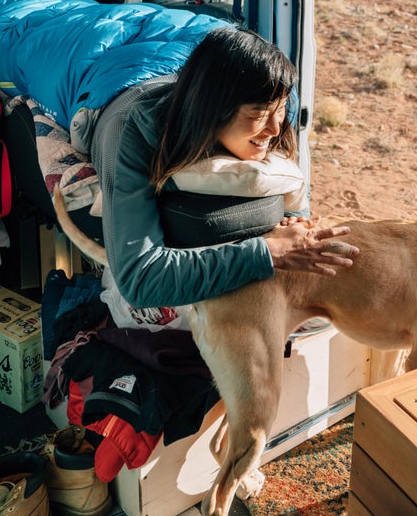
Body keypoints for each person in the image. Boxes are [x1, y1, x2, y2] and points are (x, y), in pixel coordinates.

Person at [90, 25, 357, 315]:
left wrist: (296, 223)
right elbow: (140, 280)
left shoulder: (266, 102)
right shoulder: (131, 132)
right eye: (258, 115)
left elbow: (293, 199)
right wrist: (267, 252)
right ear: (211, 112)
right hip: (112, 70)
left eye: (280, 111)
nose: (275, 127)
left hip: (176, 43)